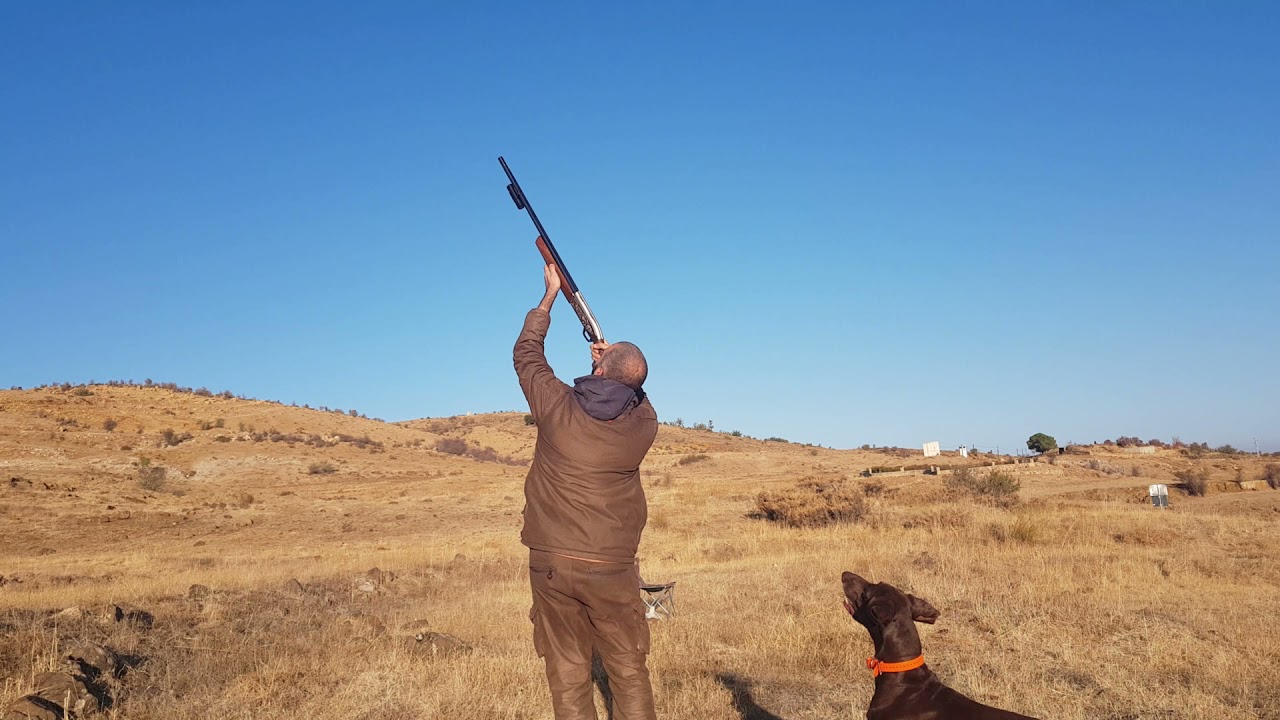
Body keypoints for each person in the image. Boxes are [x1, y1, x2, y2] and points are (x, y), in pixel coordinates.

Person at [514, 263, 659, 720]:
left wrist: (549, 296)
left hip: (552, 561)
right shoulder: (643, 426)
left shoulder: (557, 407)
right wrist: (610, 362)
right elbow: (632, 388)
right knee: (628, 670)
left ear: (598, 365)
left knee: (569, 671)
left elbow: (526, 355)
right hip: (611, 567)